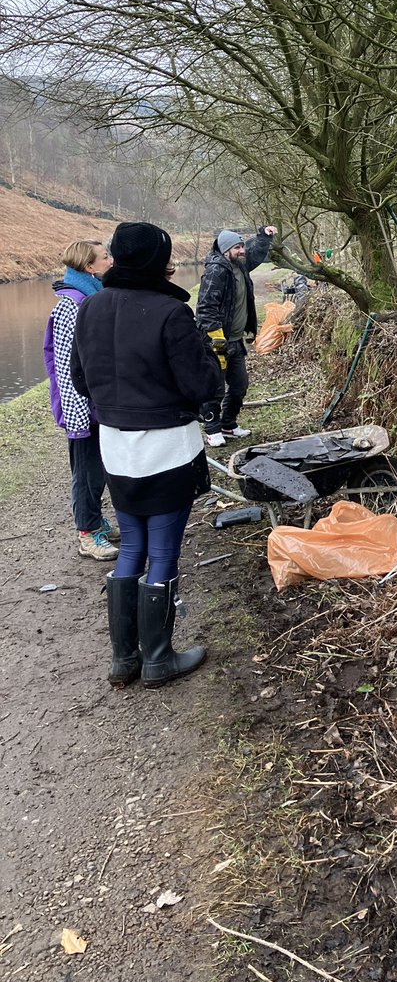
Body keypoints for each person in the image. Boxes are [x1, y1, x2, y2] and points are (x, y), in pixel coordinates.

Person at [71, 222, 222, 689]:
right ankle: (157, 659)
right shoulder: (170, 312)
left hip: (116, 447)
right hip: (166, 450)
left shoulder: (91, 307)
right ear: (159, 260)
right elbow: (203, 386)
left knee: (131, 547)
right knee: (162, 552)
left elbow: (80, 379)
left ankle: (124, 660)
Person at [43, 240, 119, 561]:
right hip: (83, 409)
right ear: (89, 267)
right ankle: (87, 533)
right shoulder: (70, 305)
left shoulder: (91, 296)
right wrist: (81, 415)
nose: (110, 261)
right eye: (105, 258)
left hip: (96, 403)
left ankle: (95, 521)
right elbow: (65, 366)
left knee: (99, 468)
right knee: (87, 473)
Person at [195, 225, 277, 447]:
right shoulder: (217, 271)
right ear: (225, 251)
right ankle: (212, 429)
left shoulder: (240, 266)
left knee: (240, 385)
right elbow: (205, 308)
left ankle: (228, 424)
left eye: (242, 246)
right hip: (216, 341)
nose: (242, 250)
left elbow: (258, 253)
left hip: (235, 341)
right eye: (237, 247)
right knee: (215, 389)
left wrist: (263, 236)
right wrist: (216, 337)